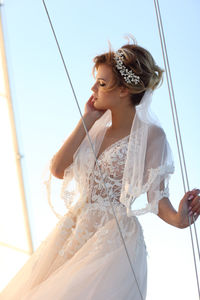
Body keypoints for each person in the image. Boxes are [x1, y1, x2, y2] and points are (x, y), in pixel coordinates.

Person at [1, 40, 200, 300]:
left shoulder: (152, 135)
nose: (93, 89)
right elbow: (58, 168)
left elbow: (156, 197)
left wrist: (179, 219)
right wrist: (87, 118)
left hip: (114, 241)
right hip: (73, 231)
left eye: (102, 83)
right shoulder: (94, 128)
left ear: (125, 90)